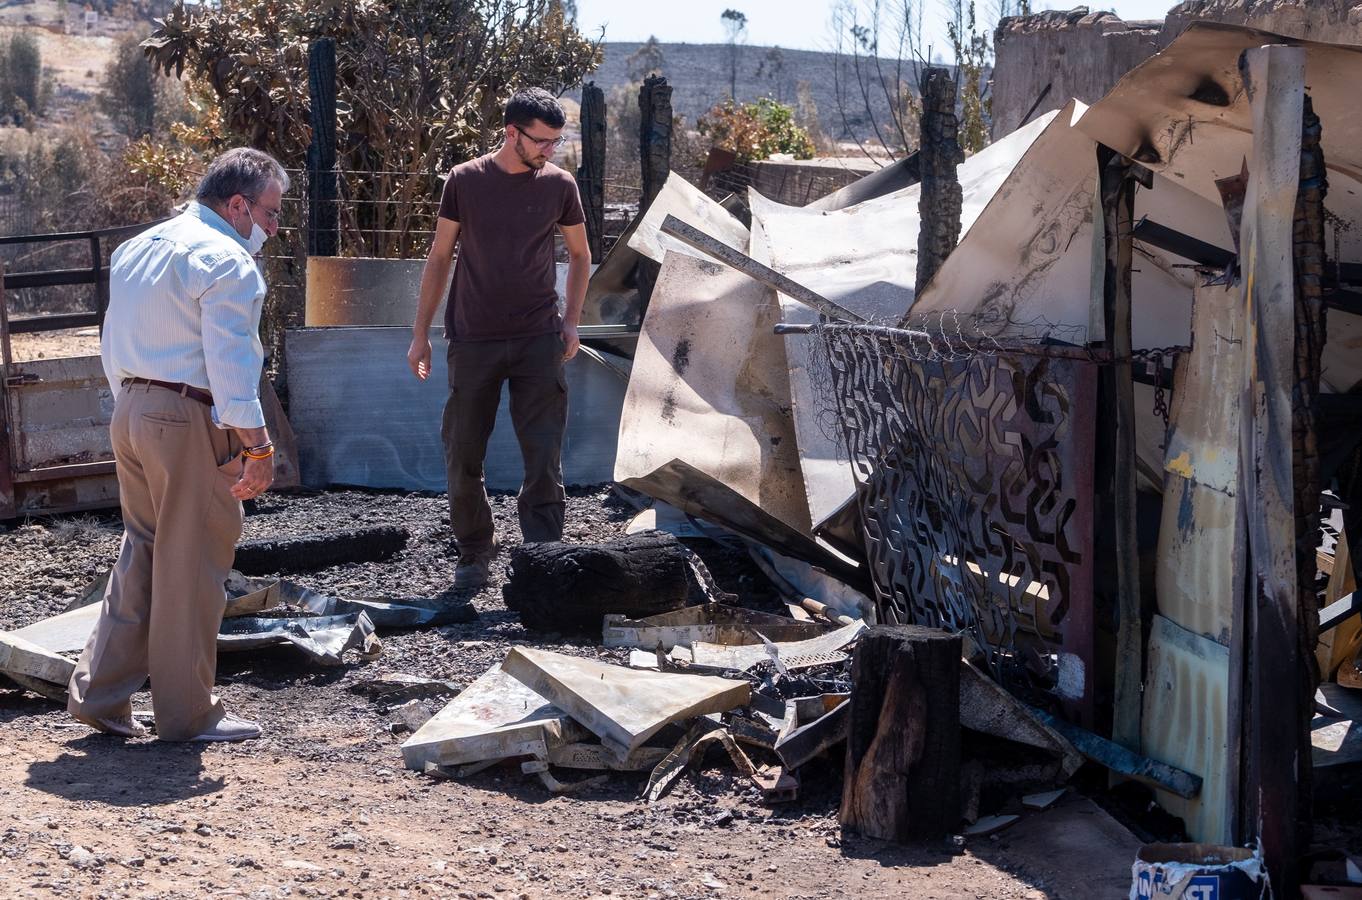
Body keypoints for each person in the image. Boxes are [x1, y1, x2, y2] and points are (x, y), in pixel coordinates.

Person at [67, 148, 287, 742]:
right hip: (186, 415)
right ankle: (187, 713)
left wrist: (133, 407)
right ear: (238, 204)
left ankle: (101, 696)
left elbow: (114, 339)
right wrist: (258, 447)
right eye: (270, 212)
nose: (273, 226)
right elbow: (231, 364)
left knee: (143, 550)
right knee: (192, 560)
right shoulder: (228, 263)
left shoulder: (139, 247)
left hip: (132, 409)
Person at [407, 88, 591, 590]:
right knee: (463, 450)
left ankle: (544, 556)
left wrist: (571, 320)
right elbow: (441, 255)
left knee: (543, 450)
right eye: (542, 141)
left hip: (538, 336)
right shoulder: (464, 180)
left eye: (557, 142)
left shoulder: (560, 186)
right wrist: (421, 334)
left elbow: (580, 255)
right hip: (473, 338)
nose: (549, 150)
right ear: (512, 132)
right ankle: (473, 552)